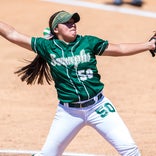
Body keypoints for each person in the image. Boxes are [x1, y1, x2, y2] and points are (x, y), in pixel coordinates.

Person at [0, 10, 156, 156]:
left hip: (99, 107)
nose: (72, 24)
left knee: (130, 151)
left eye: (73, 22)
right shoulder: (47, 47)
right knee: (48, 154)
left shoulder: (88, 42)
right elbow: (12, 34)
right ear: (56, 30)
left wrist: (149, 45)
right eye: (66, 23)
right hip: (69, 113)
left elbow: (120, 48)